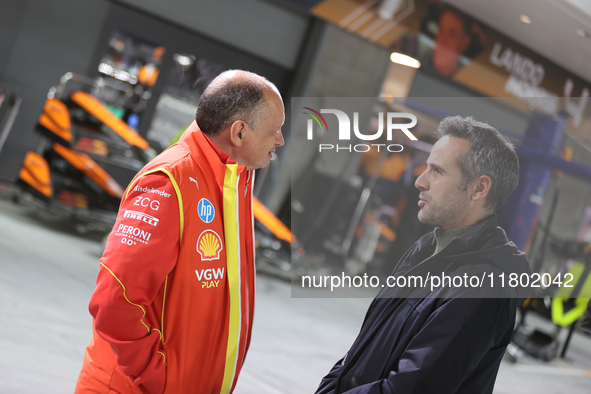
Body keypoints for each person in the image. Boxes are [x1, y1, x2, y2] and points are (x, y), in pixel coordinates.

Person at [75, 70, 285, 393]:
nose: (280, 140)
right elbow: (114, 302)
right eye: (275, 131)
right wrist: (163, 379)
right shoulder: (168, 182)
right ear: (239, 132)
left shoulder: (234, 179)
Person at [316, 116, 531, 394]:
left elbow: (411, 388)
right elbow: (359, 351)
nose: (420, 181)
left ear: (479, 188)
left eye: (437, 171)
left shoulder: (483, 286)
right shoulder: (426, 250)